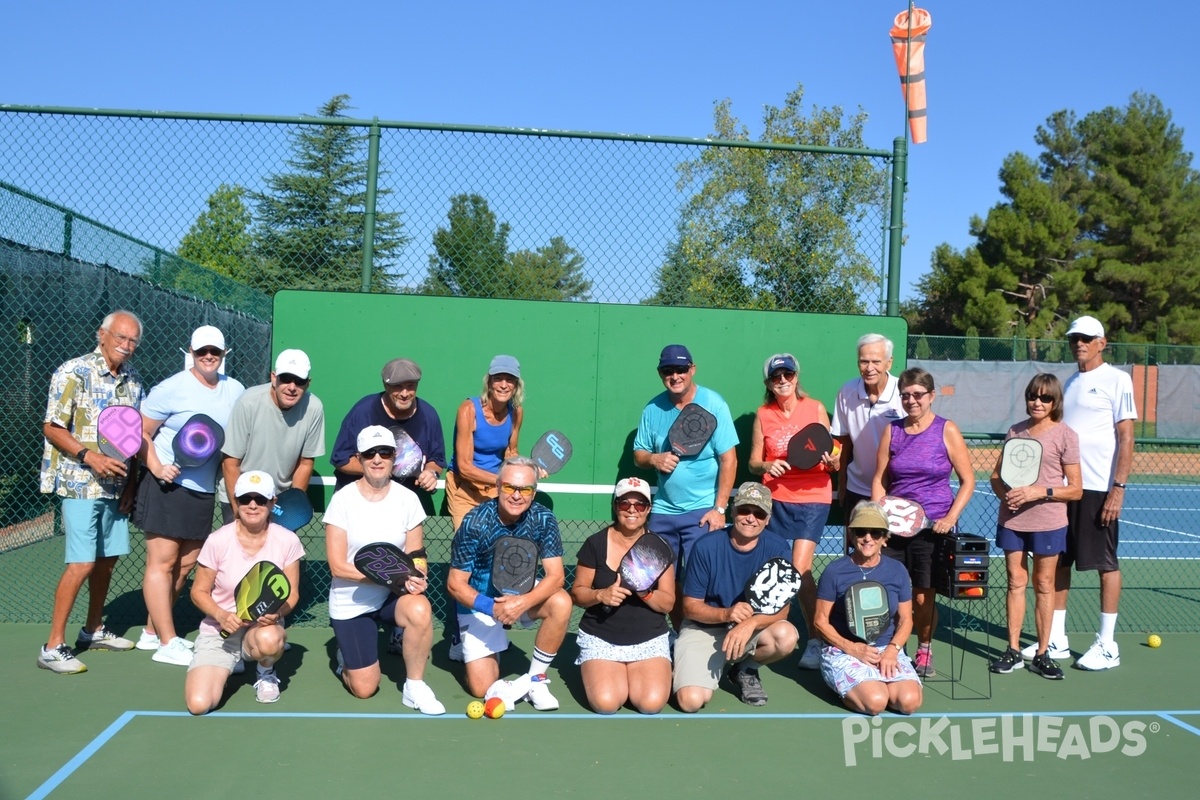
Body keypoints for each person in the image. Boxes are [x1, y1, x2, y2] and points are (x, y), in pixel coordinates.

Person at [37, 310, 145, 673]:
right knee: (82, 563)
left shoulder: (132, 380)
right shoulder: (73, 372)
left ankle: (93, 629)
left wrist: (130, 484)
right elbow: (52, 427)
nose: (127, 346)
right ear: (102, 335)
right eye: (120, 338)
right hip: (80, 482)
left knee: (106, 561)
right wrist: (90, 457)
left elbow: (133, 441)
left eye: (133, 340)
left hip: (116, 488)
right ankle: (53, 646)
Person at [134, 326, 246, 665]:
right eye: (201, 352)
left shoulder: (235, 390)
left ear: (224, 354)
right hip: (168, 485)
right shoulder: (170, 389)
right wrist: (156, 467)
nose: (208, 357)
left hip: (203, 491)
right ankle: (168, 643)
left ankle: (151, 632)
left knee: (184, 566)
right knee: (163, 562)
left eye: (214, 351)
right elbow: (139, 432)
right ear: (191, 353)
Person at [1032, 316, 1137, 671]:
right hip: (1067, 489)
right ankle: (1057, 639)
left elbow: (1126, 437)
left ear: (1101, 343)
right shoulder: (1071, 382)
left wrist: (1117, 489)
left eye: (1086, 338)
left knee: (1105, 564)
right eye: (1074, 337)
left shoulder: (1118, 379)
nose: (1079, 343)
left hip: (1098, 489)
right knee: (1061, 561)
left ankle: (1108, 645)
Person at [324, 426, 445, 714]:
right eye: (369, 454)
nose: (377, 459)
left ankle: (414, 686)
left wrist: (418, 576)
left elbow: (416, 553)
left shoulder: (407, 499)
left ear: (394, 457)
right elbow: (337, 566)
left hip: (391, 595)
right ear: (360, 458)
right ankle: (346, 659)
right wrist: (382, 575)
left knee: (420, 608)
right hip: (351, 600)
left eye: (385, 453)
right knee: (364, 688)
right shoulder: (343, 500)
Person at [871, 367, 975, 678]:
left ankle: (925, 647)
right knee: (888, 591)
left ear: (931, 396)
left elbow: (967, 481)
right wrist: (879, 519)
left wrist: (949, 518)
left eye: (918, 395)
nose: (911, 401)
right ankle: (893, 648)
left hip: (931, 530)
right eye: (905, 395)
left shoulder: (947, 430)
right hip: (894, 528)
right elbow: (880, 480)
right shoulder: (893, 430)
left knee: (921, 596)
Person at [447, 456, 572, 711]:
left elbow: (556, 576)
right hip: (481, 602)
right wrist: (492, 608)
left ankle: (536, 679)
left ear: (533, 492)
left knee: (561, 602)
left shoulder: (543, 519)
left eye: (525, 489)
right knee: (481, 688)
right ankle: (461, 640)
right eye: (509, 487)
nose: (517, 495)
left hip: (522, 595)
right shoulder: (475, 522)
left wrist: (521, 603)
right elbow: (455, 584)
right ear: (497, 485)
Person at [633, 344, 738, 629]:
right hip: (665, 511)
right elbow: (639, 454)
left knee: (700, 581)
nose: (675, 376)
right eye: (668, 370)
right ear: (660, 373)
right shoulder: (652, 409)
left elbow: (729, 459)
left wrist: (719, 509)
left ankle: (705, 638)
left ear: (692, 369)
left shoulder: (713, 403)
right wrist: (654, 458)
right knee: (661, 580)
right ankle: (677, 634)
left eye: (681, 369)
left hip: (702, 511)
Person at [673, 482, 799, 712]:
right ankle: (689, 658)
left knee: (786, 635)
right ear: (733, 511)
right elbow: (690, 607)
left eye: (759, 513)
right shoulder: (706, 547)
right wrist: (727, 613)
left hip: (750, 628)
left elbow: (783, 610)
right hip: (705, 628)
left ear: (768, 518)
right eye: (744, 510)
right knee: (690, 701)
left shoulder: (778, 548)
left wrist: (750, 623)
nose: (751, 518)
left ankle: (745, 669)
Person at [184, 471, 304, 713]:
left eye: (260, 499)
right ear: (235, 502)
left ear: (272, 502)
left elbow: (292, 595)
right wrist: (220, 615)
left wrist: (277, 612)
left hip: (260, 628)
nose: (252, 505)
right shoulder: (217, 540)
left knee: (269, 640)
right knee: (199, 705)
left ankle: (265, 670)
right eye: (245, 498)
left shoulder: (287, 540)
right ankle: (229, 662)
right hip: (220, 629)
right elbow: (198, 592)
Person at [748, 352, 837, 671]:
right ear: (768, 383)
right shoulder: (762, 414)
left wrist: (834, 462)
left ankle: (815, 640)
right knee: (773, 567)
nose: (783, 381)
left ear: (797, 377)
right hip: (775, 498)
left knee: (799, 570)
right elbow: (753, 462)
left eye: (788, 375)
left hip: (814, 496)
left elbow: (833, 451)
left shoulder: (814, 408)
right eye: (776, 377)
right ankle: (766, 631)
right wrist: (768, 464)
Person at [989, 374, 1082, 680]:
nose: (1037, 403)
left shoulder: (1066, 435)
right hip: (1013, 520)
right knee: (1016, 582)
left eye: (1044, 398)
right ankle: (1013, 651)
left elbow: (1076, 489)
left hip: (1049, 521)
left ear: (1055, 401)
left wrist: (1039, 492)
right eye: (1032, 396)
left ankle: (1043, 653)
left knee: (1044, 584)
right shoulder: (1016, 431)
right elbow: (995, 477)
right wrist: (1007, 496)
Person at [570, 477, 675, 714]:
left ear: (648, 509)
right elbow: (577, 593)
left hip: (649, 638)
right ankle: (602, 672)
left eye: (639, 505)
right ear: (615, 506)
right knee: (606, 703)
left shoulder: (660, 546)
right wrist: (601, 595)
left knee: (651, 704)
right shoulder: (595, 543)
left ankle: (649, 670)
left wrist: (644, 591)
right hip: (601, 638)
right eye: (624, 503)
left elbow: (667, 603)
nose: (631, 510)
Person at [813, 501, 922, 716]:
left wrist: (892, 650)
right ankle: (848, 684)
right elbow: (820, 621)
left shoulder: (897, 570)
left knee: (909, 703)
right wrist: (853, 648)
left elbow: (905, 619)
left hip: (886, 649)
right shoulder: (835, 571)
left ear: (885, 538)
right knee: (876, 702)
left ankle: (875, 683)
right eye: (861, 531)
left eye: (876, 532)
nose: (868, 538)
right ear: (853, 535)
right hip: (846, 649)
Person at [221, 349, 325, 524]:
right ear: (273, 378)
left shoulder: (314, 408)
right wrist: (239, 510)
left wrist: (292, 506)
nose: (292, 387)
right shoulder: (248, 403)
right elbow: (230, 463)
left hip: (279, 501)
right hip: (242, 498)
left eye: (299, 381)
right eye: (285, 379)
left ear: (308, 383)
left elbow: (306, 463)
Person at [329, 357, 445, 506]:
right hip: (357, 501)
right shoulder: (363, 412)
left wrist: (431, 473)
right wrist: (380, 470)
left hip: (402, 505)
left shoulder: (429, 416)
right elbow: (341, 459)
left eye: (410, 386)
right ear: (386, 385)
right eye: (398, 386)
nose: (404, 393)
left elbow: (437, 458)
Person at [831, 334, 903, 551]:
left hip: (896, 491)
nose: (869, 367)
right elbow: (842, 441)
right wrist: (842, 483)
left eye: (876, 361)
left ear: (889, 363)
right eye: (864, 361)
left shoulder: (904, 394)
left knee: (893, 558)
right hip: (857, 489)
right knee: (857, 558)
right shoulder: (846, 392)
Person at [445, 355, 527, 531]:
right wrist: (505, 480)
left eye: (510, 380)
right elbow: (464, 467)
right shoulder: (468, 410)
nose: (504, 385)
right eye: (498, 379)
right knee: (467, 545)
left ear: (516, 385)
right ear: (489, 382)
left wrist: (526, 470)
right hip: (464, 489)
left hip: (497, 490)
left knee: (499, 544)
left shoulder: (517, 413)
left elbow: (511, 452)